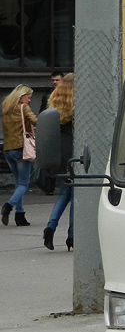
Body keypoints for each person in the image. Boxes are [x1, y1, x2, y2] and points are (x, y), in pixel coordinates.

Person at [43, 73, 74, 251]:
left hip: (58, 150)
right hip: (73, 150)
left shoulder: (53, 101)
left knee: (64, 193)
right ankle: (71, 236)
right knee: (76, 194)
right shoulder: (76, 103)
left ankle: (50, 227)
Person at [1, 84, 36, 226]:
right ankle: (8, 206)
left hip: (8, 149)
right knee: (23, 183)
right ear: (22, 96)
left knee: (18, 183)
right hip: (22, 149)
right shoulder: (23, 107)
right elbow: (35, 120)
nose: (29, 100)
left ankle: (20, 214)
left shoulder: (7, 108)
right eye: (28, 97)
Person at [36, 70, 64, 195]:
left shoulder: (67, 94)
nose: (54, 82)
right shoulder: (48, 95)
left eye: (57, 80)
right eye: (53, 80)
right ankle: (49, 186)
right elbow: (42, 113)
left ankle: (55, 184)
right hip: (53, 129)